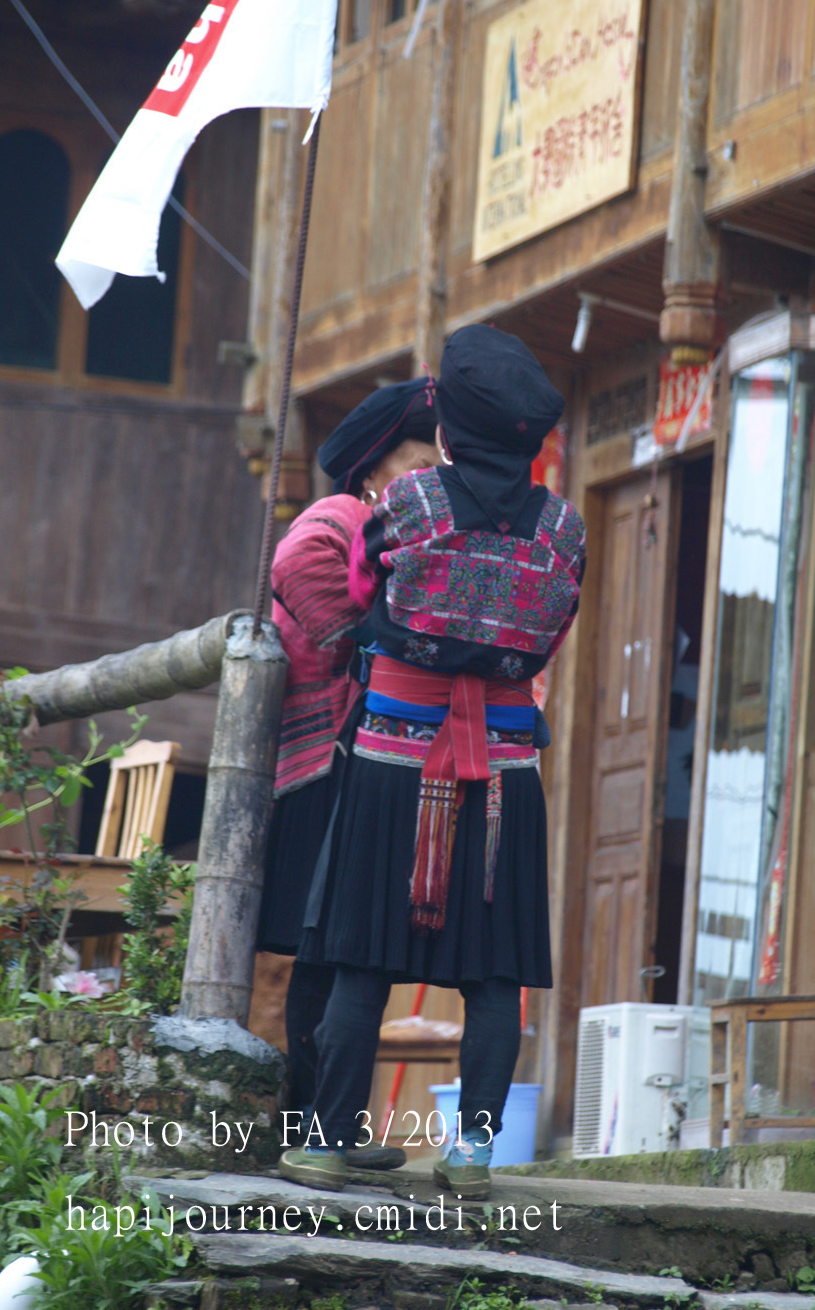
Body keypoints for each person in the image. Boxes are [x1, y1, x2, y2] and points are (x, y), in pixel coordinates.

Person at [281, 324, 586, 1197]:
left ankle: (328, 1140)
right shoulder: (563, 530)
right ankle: (474, 1151)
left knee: (362, 957)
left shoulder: (409, 503)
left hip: (391, 763)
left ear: (447, 428)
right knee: (494, 972)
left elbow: (363, 589)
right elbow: (553, 629)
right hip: (505, 773)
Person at [256, 377, 440, 1170]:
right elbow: (295, 565)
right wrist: (364, 636)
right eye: (419, 462)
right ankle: (315, 1126)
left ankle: (324, 1126)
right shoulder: (337, 518)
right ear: (373, 468)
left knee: (335, 955)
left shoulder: (390, 531)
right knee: (330, 950)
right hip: (325, 767)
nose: (430, 477)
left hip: (353, 760)